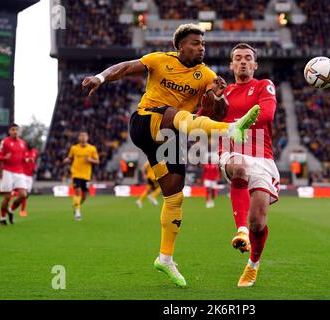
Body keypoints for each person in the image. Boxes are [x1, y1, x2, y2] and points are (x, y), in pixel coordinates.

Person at [81, 23, 260, 287]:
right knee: (176, 115)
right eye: (196, 43)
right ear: (180, 46)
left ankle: (165, 258)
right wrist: (100, 77)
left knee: (175, 195)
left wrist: (218, 97)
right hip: (145, 121)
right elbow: (124, 67)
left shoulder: (206, 75)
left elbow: (216, 111)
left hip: (172, 137)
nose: (202, 47)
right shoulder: (159, 60)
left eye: (203, 44)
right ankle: (231, 131)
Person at [207, 43, 280, 287]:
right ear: (231, 65)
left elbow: (267, 114)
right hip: (232, 151)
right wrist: (212, 99)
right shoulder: (223, 94)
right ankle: (241, 231)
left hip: (262, 156)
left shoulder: (263, 85)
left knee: (258, 222)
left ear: (255, 64)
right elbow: (201, 118)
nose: (243, 62)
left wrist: (235, 124)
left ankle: (252, 265)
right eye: (237, 58)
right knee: (238, 166)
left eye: (248, 58)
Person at [0, 123, 28, 226]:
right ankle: (2, 218)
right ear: (9, 131)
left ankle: (10, 210)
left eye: (16, 130)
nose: (15, 132)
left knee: (23, 195)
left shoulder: (23, 143)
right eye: (13, 130)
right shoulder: (4, 142)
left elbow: (22, 157)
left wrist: (27, 159)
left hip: (19, 171)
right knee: (7, 197)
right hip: (8, 171)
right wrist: (4, 158)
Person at [63, 131, 99, 221]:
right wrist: (66, 160)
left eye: (85, 136)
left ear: (87, 138)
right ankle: (78, 212)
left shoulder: (92, 148)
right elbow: (70, 158)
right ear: (79, 138)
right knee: (77, 191)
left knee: (84, 196)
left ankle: (76, 205)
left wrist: (90, 159)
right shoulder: (74, 148)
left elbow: (97, 161)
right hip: (76, 173)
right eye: (81, 136)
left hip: (86, 175)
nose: (83, 138)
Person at [19, 142, 39, 217]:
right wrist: (27, 159)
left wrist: (34, 169)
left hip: (30, 176)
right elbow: (20, 159)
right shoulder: (23, 150)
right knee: (24, 194)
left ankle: (15, 195)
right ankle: (22, 210)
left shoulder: (35, 151)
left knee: (27, 195)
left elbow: (34, 161)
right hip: (23, 174)